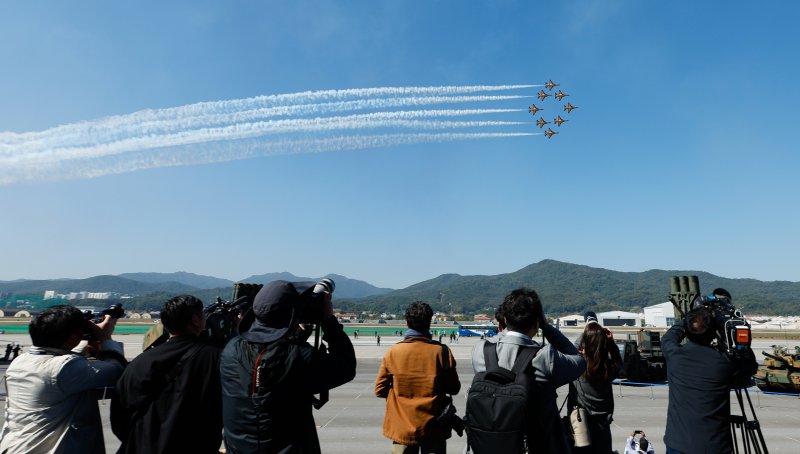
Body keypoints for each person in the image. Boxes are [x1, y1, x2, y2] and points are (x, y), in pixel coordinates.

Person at [220, 280, 356, 453]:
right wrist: (329, 321)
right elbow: (346, 367)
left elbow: (272, 354)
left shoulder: (231, 350)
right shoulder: (300, 356)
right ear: (293, 316)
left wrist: (296, 331)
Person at [471, 288, 586, 452]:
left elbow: (501, 340)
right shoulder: (545, 358)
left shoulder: (481, 351)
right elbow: (579, 361)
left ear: (504, 318)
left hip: (488, 444)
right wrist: (547, 328)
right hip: (536, 445)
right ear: (536, 322)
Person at [0, 305, 125, 453]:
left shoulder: (21, 361)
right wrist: (105, 338)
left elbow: (63, 359)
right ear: (73, 337)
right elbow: (117, 369)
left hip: (18, 446)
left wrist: (84, 340)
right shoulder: (65, 368)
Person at [111, 295, 222, 453]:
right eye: (203, 315)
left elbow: (119, 417)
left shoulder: (140, 362)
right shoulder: (216, 359)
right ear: (195, 320)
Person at [661, 288, 757, 454]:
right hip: (715, 446)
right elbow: (748, 368)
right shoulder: (724, 363)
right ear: (713, 331)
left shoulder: (674, 355)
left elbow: (669, 336)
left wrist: (693, 316)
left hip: (678, 444)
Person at [376, 302, 461, 454]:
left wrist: (400, 398)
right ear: (430, 323)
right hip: (434, 427)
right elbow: (454, 388)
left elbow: (379, 390)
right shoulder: (442, 352)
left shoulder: (394, 352)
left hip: (403, 428)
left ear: (407, 322)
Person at [568, 312, 624, 453]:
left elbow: (572, 349)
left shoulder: (578, 367)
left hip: (581, 427)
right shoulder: (609, 369)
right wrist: (610, 342)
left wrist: (587, 330)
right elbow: (619, 361)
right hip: (603, 425)